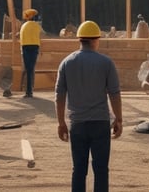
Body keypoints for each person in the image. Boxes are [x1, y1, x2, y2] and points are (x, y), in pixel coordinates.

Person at [55, 20, 123, 192]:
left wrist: (61, 122)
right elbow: (114, 94)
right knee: (101, 170)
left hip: (77, 124)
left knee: (78, 170)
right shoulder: (106, 63)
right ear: (95, 40)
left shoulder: (66, 63)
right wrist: (118, 119)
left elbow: (59, 95)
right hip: (100, 123)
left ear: (80, 40)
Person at [19, 8, 41, 98]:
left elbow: (21, 38)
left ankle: (28, 91)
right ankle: (30, 90)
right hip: (35, 47)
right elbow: (40, 34)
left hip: (25, 47)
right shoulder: (37, 26)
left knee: (28, 69)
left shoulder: (23, 26)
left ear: (27, 17)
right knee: (31, 69)